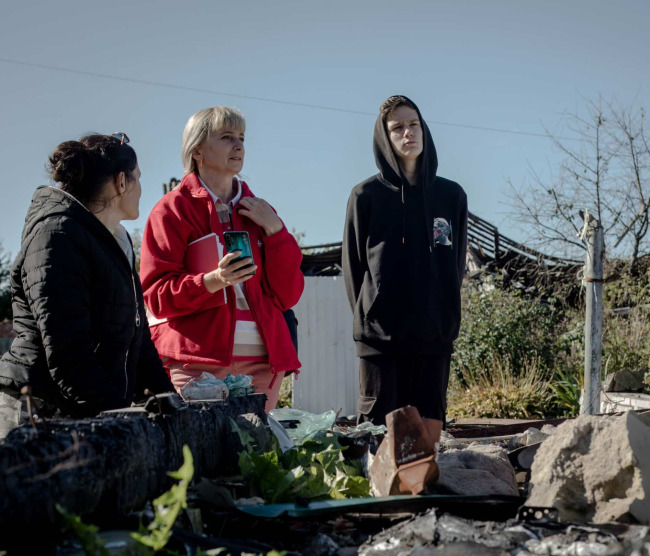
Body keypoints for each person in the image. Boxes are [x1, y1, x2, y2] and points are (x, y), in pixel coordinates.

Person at [0, 133, 174, 429]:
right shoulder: (57, 237)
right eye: (139, 178)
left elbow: (141, 347)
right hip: (39, 413)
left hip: (88, 412)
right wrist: (118, 419)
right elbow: (68, 353)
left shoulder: (116, 243)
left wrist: (170, 407)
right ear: (122, 182)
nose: (142, 189)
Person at [140, 106, 303, 411]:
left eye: (241, 137)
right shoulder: (171, 210)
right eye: (227, 137)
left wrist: (277, 232)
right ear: (197, 150)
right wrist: (213, 280)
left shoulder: (261, 211)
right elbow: (156, 296)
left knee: (255, 443)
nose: (238, 145)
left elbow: (287, 295)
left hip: (263, 364)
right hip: (196, 364)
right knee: (201, 442)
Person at [342, 95, 468, 444]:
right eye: (397, 127)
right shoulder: (365, 195)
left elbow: (455, 264)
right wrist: (369, 318)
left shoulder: (451, 196)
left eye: (413, 124)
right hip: (380, 340)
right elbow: (353, 266)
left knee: (426, 439)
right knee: (380, 440)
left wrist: (445, 316)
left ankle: (422, 483)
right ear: (385, 138)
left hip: (434, 337)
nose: (408, 132)